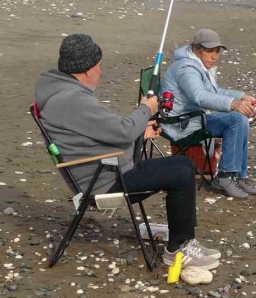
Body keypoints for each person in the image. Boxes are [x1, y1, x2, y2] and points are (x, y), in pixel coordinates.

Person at [34, 34, 220, 270]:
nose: (100, 72)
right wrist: (146, 109)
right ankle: (177, 249)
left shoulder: (60, 91)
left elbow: (96, 133)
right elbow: (122, 132)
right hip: (105, 179)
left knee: (183, 164)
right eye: (99, 66)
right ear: (87, 70)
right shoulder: (72, 100)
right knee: (181, 175)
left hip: (106, 166)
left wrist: (139, 133)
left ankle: (185, 240)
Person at [161, 29, 256, 200]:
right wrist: (233, 104)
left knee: (240, 119)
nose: (214, 56)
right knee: (236, 119)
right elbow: (199, 96)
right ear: (195, 49)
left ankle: (236, 175)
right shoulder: (187, 69)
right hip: (179, 124)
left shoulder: (198, 64)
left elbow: (212, 91)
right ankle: (226, 177)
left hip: (192, 118)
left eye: (217, 51)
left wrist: (240, 96)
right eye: (209, 51)